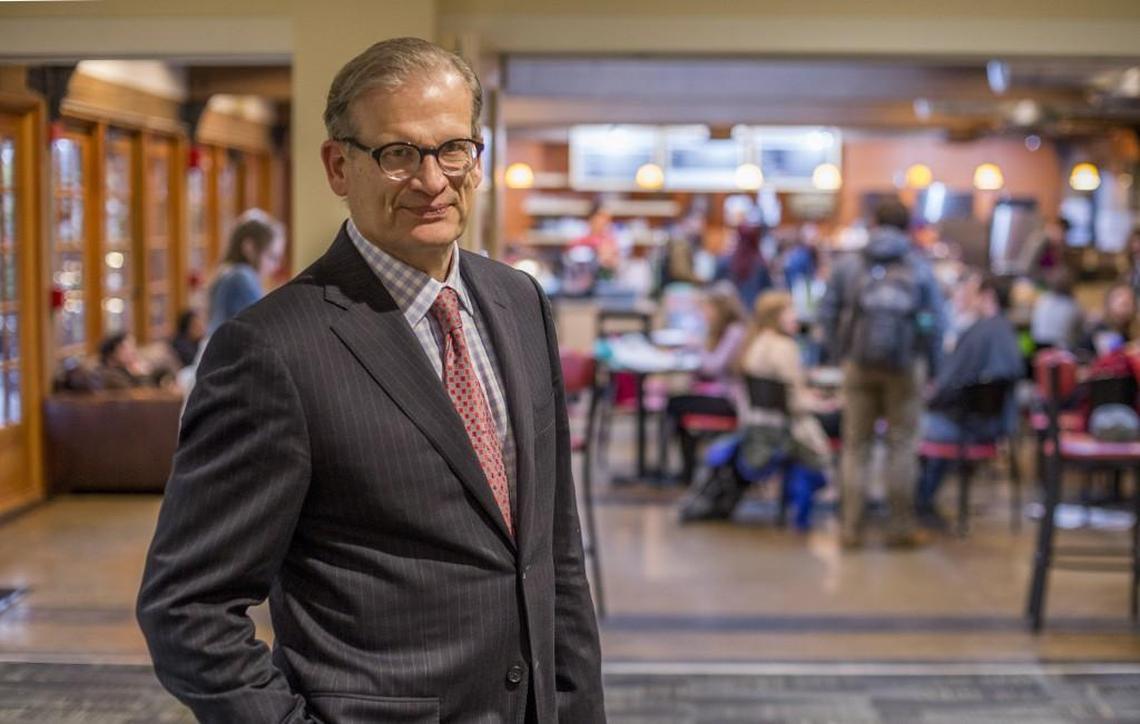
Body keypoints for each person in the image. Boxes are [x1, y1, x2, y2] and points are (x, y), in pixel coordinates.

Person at [137, 38, 604, 724]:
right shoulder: (271, 350)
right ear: (337, 164)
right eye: (397, 153)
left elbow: (554, 549)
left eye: (454, 149)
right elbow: (186, 608)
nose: (433, 179)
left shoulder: (519, 301)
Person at [818, 198, 946, 549]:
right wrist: (934, 368)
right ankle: (901, 527)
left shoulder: (848, 265)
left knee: (855, 446)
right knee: (901, 445)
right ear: (908, 227)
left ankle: (850, 528)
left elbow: (826, 313)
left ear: (872, 222)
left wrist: (840, 354)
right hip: (906, 367)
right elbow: (936, 322)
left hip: (858, 365)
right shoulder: (919, 267)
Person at [917, 275, 1023, 530]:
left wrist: (927, 397)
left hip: (969, 427)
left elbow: (947, 386)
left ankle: (918, 503)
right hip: (997, 425)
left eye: (971, 292)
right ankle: (922, 500)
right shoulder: (1005, 331)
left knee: (906, 426)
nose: (966, 297)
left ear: (987, 296)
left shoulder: (977, 333)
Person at [661, 282, 748, 484]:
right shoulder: (720, 331)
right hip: (719, 393)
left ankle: (688, 471)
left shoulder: (735, 332)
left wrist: (697, 347)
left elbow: (713, 366)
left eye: (708, 308)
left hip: (731, 400)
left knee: (676, 405)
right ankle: (687, 469)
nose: (704, 313)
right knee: (677, 403)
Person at [206, 208, 286, 335]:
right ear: (250, 248)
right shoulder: (242, 277)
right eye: (272, 257)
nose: (275, 267)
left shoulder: (225, 273)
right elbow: (265, 328)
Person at [1030, 268, 1083, 351]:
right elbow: (1079, 329)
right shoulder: (1071, 304)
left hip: (1037, 346)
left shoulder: (1043, 298)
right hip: (1061, 348)